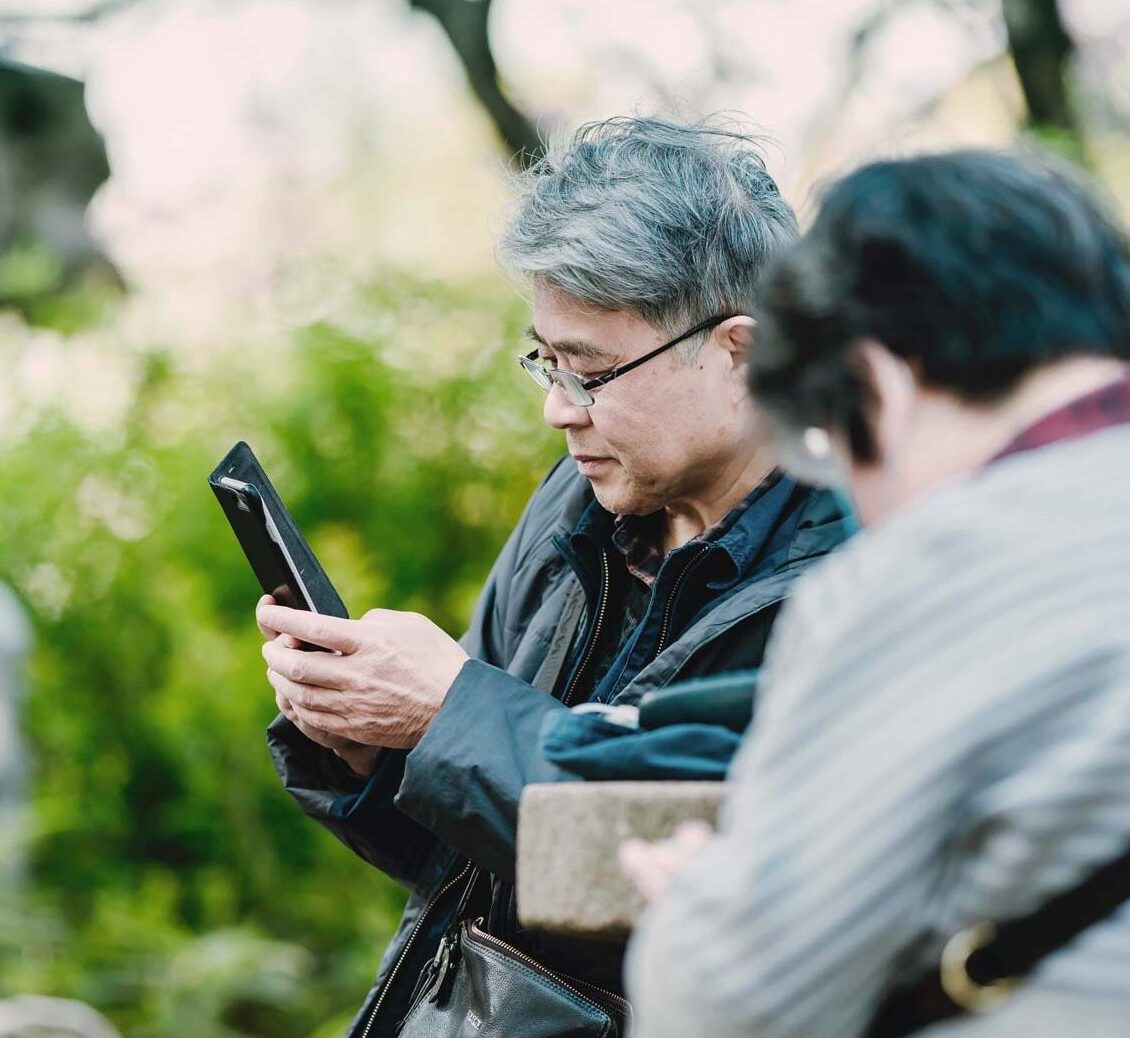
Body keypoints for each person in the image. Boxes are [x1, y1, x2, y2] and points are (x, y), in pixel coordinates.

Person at [255, 116, 853, 1037]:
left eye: (591, 372)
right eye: (545, 358)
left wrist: (447, 715)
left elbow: (725, 897)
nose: (554, 409)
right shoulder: (577, 505)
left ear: (741, 353)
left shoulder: (856, 580)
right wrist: (374, 750)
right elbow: (481, 868)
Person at [622, 149, 1130, 1037]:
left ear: (875, 381)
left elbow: (727, 1006)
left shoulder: (926, 573)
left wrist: (697, 907)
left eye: (830, 446)